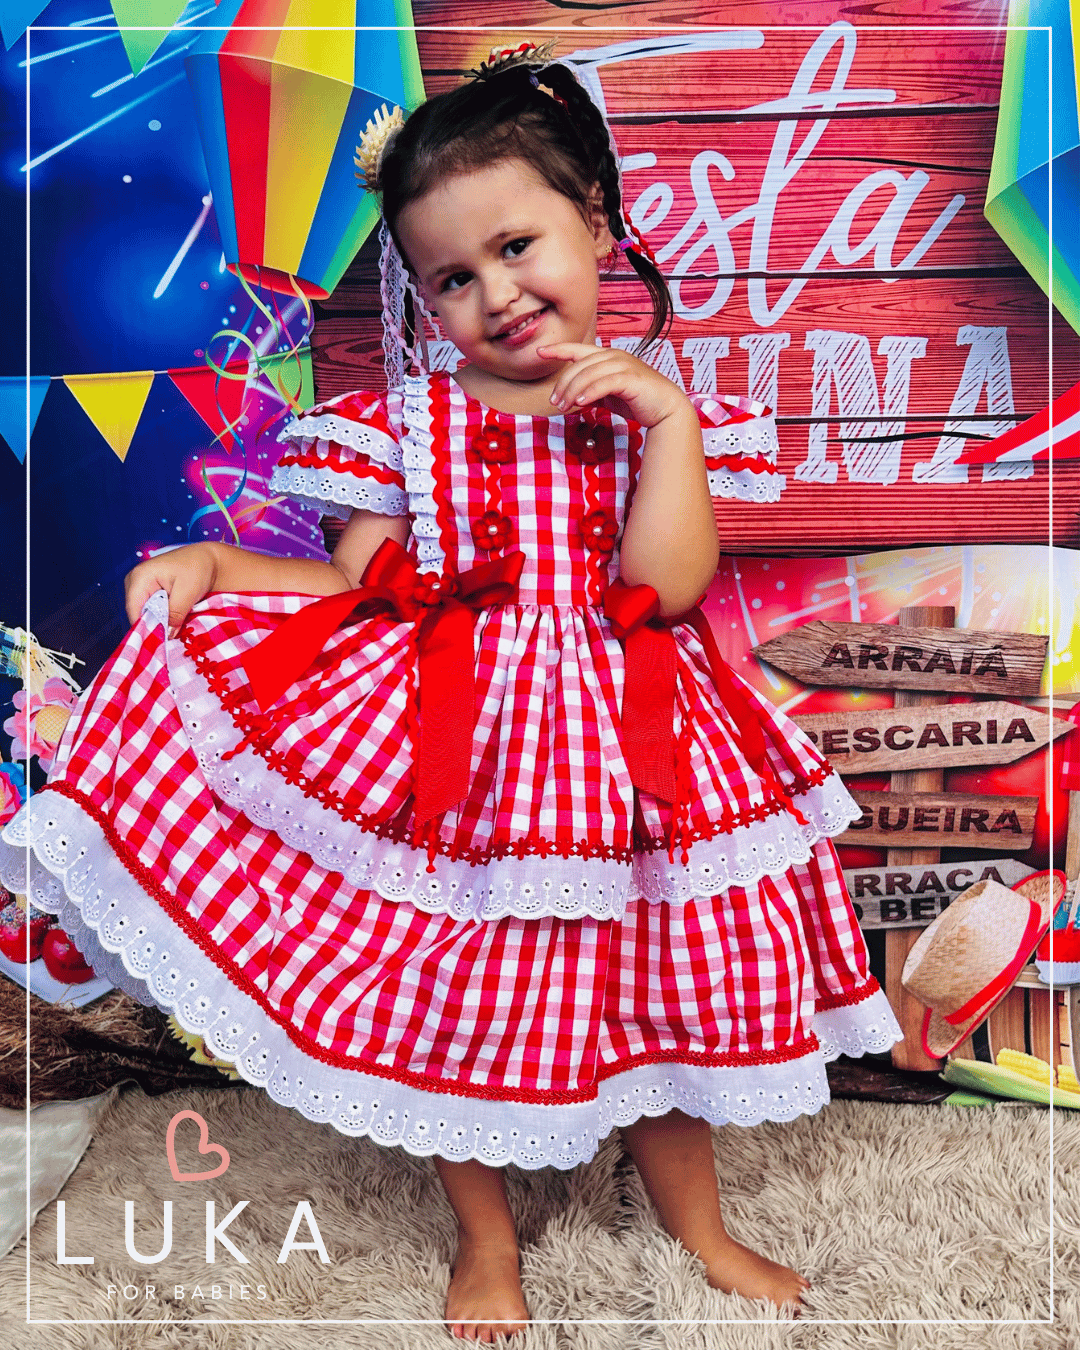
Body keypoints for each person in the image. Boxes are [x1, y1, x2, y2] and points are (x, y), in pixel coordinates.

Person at [1, 42, 902, 1341]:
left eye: (521, 246)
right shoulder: (406, 426)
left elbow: (666, 588)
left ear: (595, 223)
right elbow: (366, 592)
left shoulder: (642, 408)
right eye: (454, 277)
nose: (498, 293)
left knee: (651, 987)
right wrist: (217, 563)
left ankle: (701, 1226)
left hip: (629, 751)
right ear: (423, 296)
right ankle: (485, 1235)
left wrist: (670, 428)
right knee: (450, 995)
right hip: (461, 747)